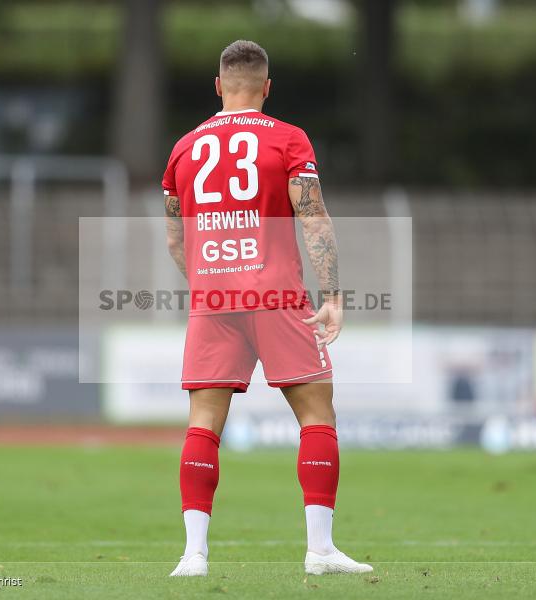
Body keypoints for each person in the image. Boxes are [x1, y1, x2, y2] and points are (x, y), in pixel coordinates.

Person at [161, 40, 372, 577]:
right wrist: (334, 296)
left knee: (204, 423)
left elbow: (173, 238)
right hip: (276, 295)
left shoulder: (184, 148)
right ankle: (320, 550)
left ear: (217, 85)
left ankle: (193, 556)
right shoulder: (287, 138)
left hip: (214, 300)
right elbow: (315, 218)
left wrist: (212, 283)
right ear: (267, 87)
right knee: (316, 415)